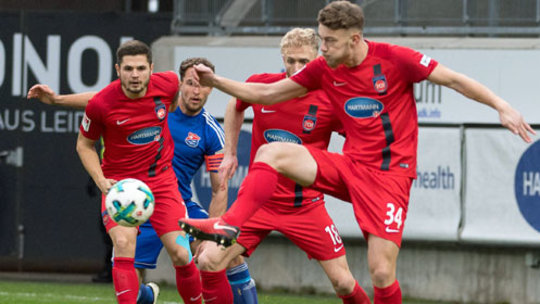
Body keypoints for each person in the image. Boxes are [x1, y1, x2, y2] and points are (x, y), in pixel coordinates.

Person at [178, 1, 536, 303]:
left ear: (355, 39)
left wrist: (500, 105)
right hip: (350, 167)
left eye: (329, 42)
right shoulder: (324, 69)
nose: (323, 50)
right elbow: (266, 95)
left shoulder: (396, 60)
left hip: (390, 178)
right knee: (272, 152)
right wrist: (216, 81)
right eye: (321, 40)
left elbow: (455, 79)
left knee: (380, 273)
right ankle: (228, 225)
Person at [27, 57, 258, 304]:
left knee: (227, 252)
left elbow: (219, 189)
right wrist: (57, 100)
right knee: (129, 283)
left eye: (203, 85)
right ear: (179, 84)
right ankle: (146, 296)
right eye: (191, 83)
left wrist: (213, 234)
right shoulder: (157, 103)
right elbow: (104, 97)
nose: (196, 91)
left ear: (212, 88)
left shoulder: (210, 130)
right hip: (133, 198)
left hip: (176, 200)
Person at [195, 27, 369, 303]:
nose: (297, 68)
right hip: (257, 204)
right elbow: (235, 104)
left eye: (304, 61)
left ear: (318, 60)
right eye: (291, 60)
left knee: (344, 283)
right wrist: (229, 151)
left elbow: (362, 139)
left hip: (306, 207)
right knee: (208, 259)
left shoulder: (330, 99)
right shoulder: (263, 86)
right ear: (282, 59)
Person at [36, 40, 202, 304]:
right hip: (120, 186)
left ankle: (154, 297)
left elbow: (171, 108)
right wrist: (101, 180)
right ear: (117, 69)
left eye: (140, 68)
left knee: (181, 254)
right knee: (124, 245)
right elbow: (84, 145)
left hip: (161, 181)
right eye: (128, 69)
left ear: (151, 68)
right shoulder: (101, 104)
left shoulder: (169, 83)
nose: (134, 75)